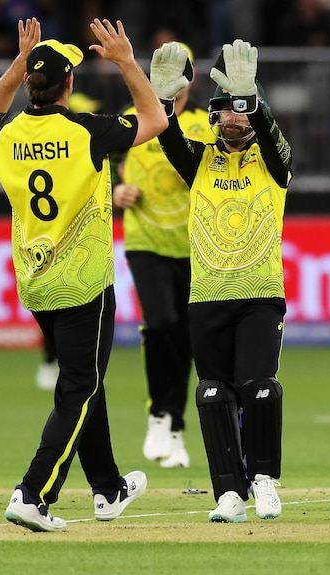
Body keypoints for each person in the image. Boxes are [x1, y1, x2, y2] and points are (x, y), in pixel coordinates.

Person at [0, 17, 168, 532]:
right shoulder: (85, 131)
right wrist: (128, 61)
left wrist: (19, 61)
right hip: (84, 283)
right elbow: (155, 120)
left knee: (85, 382)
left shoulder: (9, 133)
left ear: (33, 85)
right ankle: (33, 494)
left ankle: (107, 490)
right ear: (69, 85)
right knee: (81, 387)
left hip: (36, 283)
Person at [151, 40, 293, 522]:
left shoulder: (274, 162)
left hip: (260, 294)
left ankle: (265, 480)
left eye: (242, 111)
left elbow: (274, 138)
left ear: (254, 111)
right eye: (225, 112)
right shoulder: (200, 159)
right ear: (213, 118)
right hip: (207, 295)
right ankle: (228, 494)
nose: (233, 120)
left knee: (259, 389)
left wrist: (252, 100)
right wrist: (164, 103)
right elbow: (166, 136)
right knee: (213, 393)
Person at [112, 41, 216, 469]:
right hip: (145, 241)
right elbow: (97, 164)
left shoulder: (201, 124)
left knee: (186, 339)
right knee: (160, 325)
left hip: (193, 246)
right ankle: (159, 415)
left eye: (182, 73)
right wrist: (113, 191)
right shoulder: (133, 115)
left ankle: (174, 422)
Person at [34, 91, 102, 393]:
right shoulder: (78, 132)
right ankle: (52, 362)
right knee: (62, 309)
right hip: (55, 234)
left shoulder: (76, 115)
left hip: (58, 233)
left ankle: (73, 367)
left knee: (60, 309)